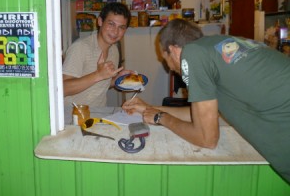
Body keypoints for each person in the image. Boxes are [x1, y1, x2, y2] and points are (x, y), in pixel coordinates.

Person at [122, 18, 290, 183]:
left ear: (173, 50)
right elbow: (202, 116)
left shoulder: (192, 54)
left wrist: (160, 118)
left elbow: (207, 139)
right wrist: (149, 108)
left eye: (165, 59)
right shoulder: (215, 48)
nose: (170, 68)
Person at [63, 2, 132, 108]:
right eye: (111, 24)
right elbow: (63, 89)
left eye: (121, 27)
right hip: (73, 117)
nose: (115, 31)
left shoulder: (114, 50)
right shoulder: (80, 47)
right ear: (100, 21)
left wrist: (118, 79)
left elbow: (100, 85)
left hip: (98, 114)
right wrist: (98, 75)